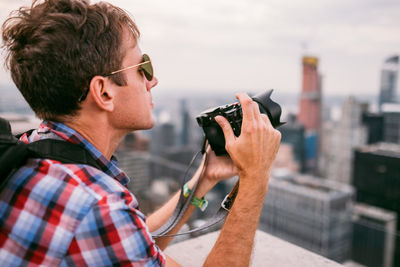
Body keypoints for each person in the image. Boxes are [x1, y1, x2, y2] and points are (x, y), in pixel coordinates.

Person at [0, 0, 281, 266]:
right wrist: (255, 177)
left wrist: (204, 178)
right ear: (104, 92)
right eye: (142, 68)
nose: (153, 80)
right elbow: (109, 224)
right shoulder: (97, 204)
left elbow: (130, 247)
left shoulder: (32, 150)